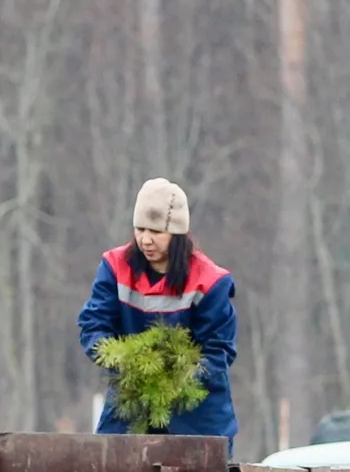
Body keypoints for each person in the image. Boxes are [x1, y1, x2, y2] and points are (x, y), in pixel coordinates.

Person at [77, 177, 237, 442]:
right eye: (140, 229)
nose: (146, 240)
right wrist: (125, 361)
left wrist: (174, 376)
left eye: (156, 232)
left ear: (177, 235)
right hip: (130, 403)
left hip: (198, 416)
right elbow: (94, 325)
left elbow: (218, 351)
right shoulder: (115, 266)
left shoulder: (210, 281)